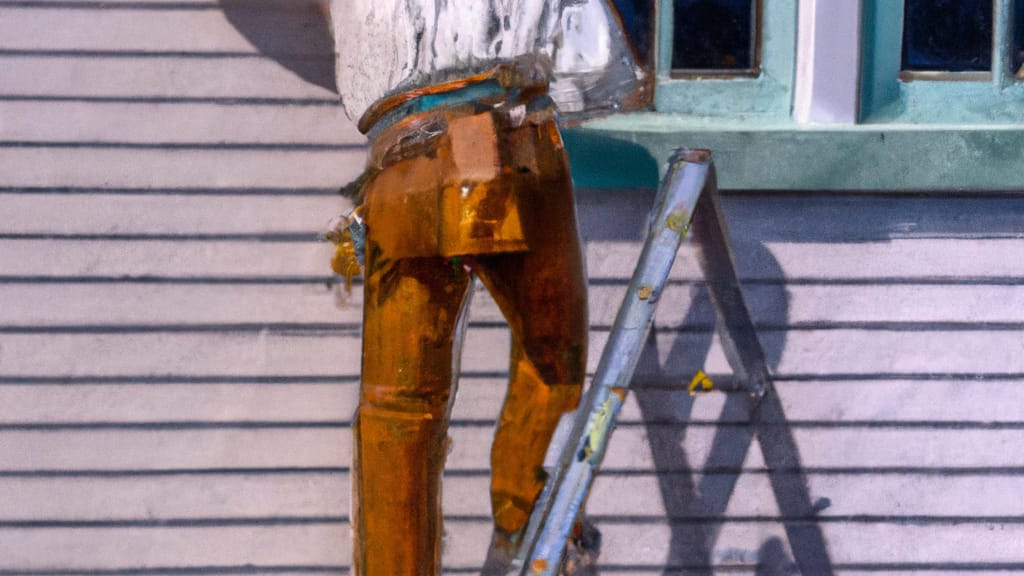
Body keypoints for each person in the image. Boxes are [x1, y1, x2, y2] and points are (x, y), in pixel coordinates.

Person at [326, 2, 645, 573]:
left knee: (396, 407)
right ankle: (522, 510)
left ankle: (395, 565)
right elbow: (597, 67)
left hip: (398, 161)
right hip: (507, 143)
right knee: (553, 358)